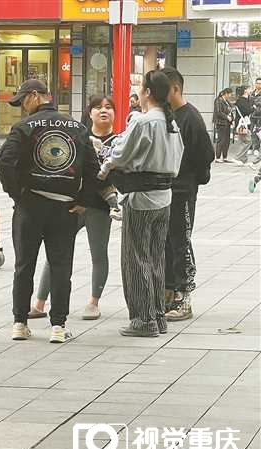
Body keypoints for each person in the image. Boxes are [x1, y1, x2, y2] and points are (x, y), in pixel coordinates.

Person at [0, 79, 107, 343]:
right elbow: (94, 169)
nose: (22, 107)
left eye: (23, 101)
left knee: (24, 265)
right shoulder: (77, 128)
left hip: (30, 205)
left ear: (35, 96)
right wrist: (83, 199)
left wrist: (16, 193)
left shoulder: (23, 128)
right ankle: (58, 325)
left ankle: (20, 323)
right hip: (64, 207)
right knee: (60, 266)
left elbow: (4, 161)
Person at [98, 70, 184, 337]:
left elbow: (120, 156)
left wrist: (104, 169)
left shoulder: (145, 122)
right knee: (156, 258)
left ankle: (143, 320)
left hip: (141, 197)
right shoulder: (172, 124)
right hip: (164, 197)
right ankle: (157, 315)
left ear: (147, 93)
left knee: (135, 260)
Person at [30, 95, 120, 322]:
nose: (103, 111)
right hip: (73, 204)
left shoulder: (120, 142)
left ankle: (93, 302)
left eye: (109, 107)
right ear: (89, 113)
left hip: (99, 206)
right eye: (98, 107)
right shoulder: (77, 136)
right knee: (56, 253)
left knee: (98, 253)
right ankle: (40, 303)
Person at [161, 67, 214, 322]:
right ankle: (169, 291)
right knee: (166, 242)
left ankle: (184, 295)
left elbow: (205, 154)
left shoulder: (190, 117)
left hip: (182, 190)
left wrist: (193, 178)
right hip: (166, 189)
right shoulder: (167, 115)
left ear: (175, 89)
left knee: (180, 241)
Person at [213, 88, 234, 163]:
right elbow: (218, 112)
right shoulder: (218, 100)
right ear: (225, 94)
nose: (230, 95)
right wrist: (227, 117)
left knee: (227, 140)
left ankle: (225, 156)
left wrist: (232, 118)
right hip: (221, 122)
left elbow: (231, 109)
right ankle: (217, 157)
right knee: (221, 139)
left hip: (227, 122)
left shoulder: (227, 101)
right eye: (230, 94)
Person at [249, 77, 261, 156]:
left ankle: (256, 148)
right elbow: (249, 104)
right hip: (252, 116)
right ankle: (251, 147)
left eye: (260, 83)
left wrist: (256, 105)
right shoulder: (252, 94)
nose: (258, 85)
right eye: (257, 83)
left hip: (259, 116)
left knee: (258, 132)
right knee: (252, 132)